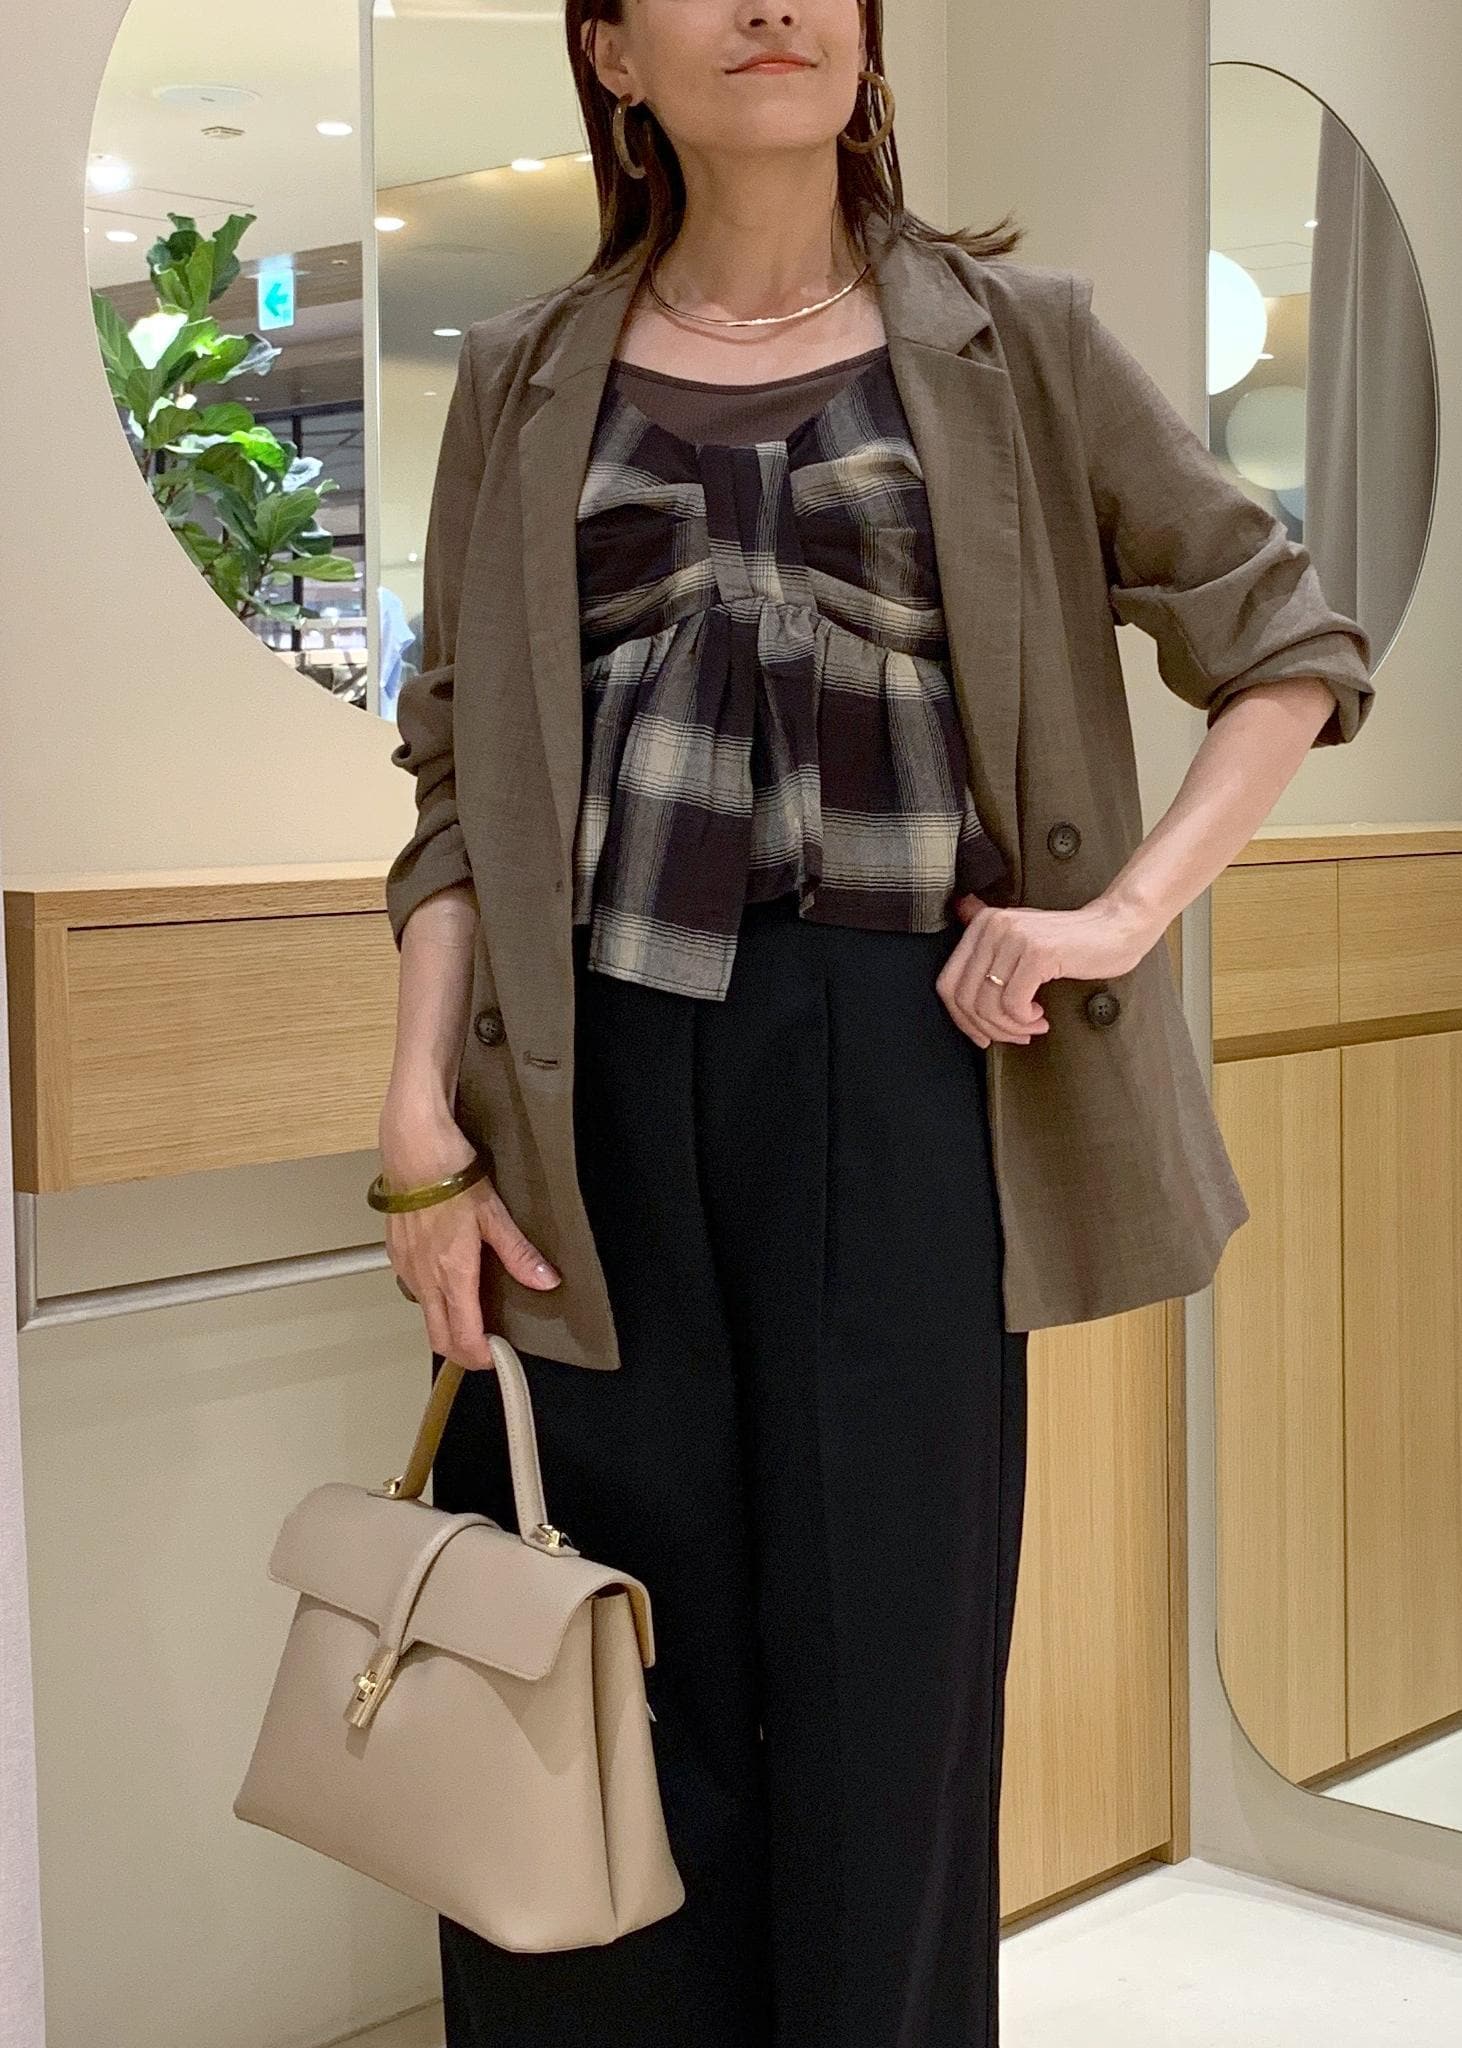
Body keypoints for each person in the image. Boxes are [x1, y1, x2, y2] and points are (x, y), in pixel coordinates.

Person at [375, 3, 1375, 2044]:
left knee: (887, 1680)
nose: (773, 6)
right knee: (612, 1663)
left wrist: (1117, 914)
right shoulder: (523, 375)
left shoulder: (1019, 344)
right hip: (590, 1089)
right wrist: (417, 1127)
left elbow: (1281, 639)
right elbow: (456, 782)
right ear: (610, 55)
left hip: (907, 1074)